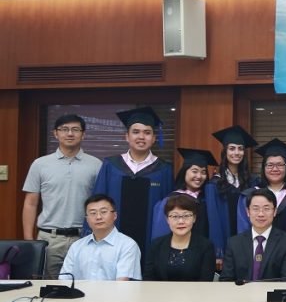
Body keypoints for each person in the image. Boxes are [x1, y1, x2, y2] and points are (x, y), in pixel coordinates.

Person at [21, 113, 102, 278]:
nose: (70, 133)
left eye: (75, 129)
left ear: (83, 134)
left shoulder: (96, 165)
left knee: (86, 285)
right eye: (64, 129)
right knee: (48, 288)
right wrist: (30, 241)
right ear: (55, 134)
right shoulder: (40, 164)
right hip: (50, 238)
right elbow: (30, 203)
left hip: (85, 236)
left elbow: (101, 204)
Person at [91, 107, 174, 258]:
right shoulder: (111, 165)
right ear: (127, 137)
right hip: (112, 239)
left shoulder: (164, 169)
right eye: (136, 132)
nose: (141, 137)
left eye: (147, 132)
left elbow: (168, 210)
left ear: (154, 138)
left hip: (150, 241)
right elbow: (97, 202)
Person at [238, 139, 286, 261]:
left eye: (280, 165)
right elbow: (243, 229)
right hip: (256, 257)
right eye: (270, 165)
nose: (275, 169)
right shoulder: (249, 196)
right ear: (263, 168)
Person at [150, 149, 230, 263]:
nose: (199, 176)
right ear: (184, 172)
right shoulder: (171, 200)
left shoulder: (208, 200)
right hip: (176, 258)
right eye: (194, 171)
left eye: (203, 172)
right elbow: (160, 234)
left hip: (204, 257)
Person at [222, 188, 286, 282]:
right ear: (247, 212)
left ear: (274, 211)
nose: (261, 214)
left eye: (266, 209)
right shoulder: (234, 243)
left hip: (273, 296)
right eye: (255, 209)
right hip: (241, 295)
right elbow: (226, 280)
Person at [60, 194, 141, 281]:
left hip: (114, 294)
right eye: (93, 213)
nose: (98, 217)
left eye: (103, 212)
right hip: (79, 294)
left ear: (115, 215)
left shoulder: (127, 245)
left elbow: (123, 284)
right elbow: (64, 280)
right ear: (87, 219)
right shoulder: (76, 246)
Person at [144, 194, 216, 281]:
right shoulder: (156, 245)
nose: (181, 221)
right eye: (175, 216)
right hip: (161, 294)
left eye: (186, 216)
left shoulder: (206, 247)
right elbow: (148, 280)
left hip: (195, 294)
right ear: (167, 219)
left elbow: (205, 283)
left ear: (194, 218)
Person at [210, 125, 259, 237]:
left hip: (249, 239)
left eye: (240, 148)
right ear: (225, 152)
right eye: (232, 148)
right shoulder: (215, 184)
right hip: (226, 238)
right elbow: (214, 220)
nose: (237, 153)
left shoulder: (253, 181)